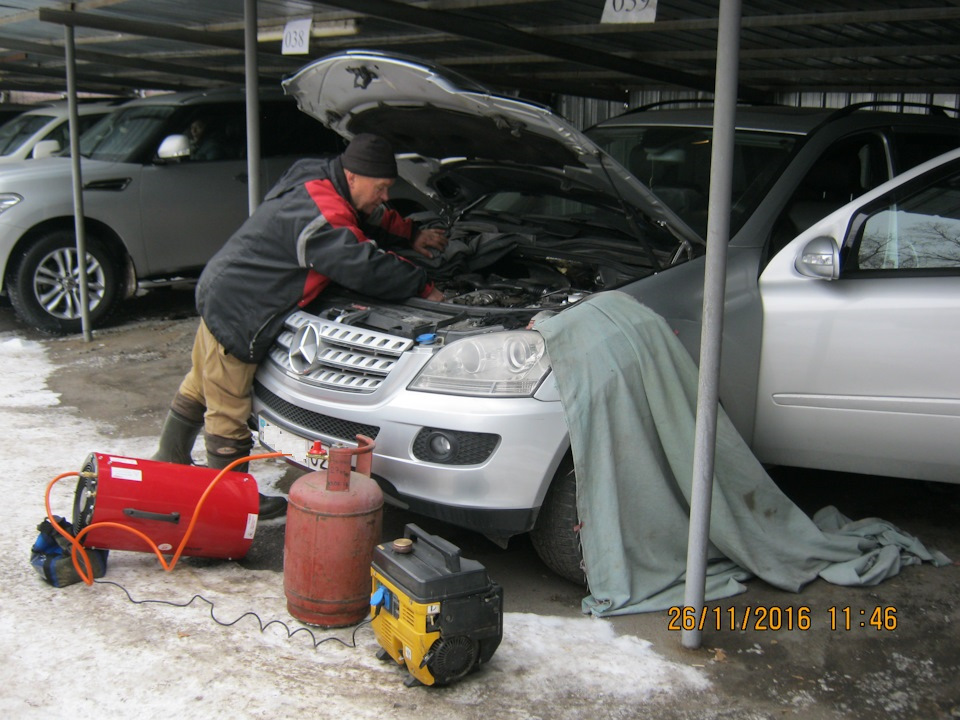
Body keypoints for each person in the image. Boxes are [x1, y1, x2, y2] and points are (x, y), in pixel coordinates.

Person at [153, 133, 447, 519]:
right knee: (228, 408)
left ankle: (169, 457)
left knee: (201, 382)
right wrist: (424, 287)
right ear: (354, 177)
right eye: (382, 188)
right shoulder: (322, 215)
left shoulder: (319, 178)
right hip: (241, 309)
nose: (385, 197)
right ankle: (229, 501)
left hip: (223, 289)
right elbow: (361, 264)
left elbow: (363, 216)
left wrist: (411, 233)